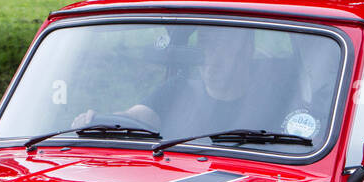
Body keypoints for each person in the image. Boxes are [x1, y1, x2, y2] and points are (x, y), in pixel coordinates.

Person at [71, 26, 266, 133]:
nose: (206, 54)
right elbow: (136, 116)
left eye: (219, 46)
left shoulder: (271, 97)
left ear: (246, 49)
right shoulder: (179, 90)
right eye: (203, 45)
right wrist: (98, 121)